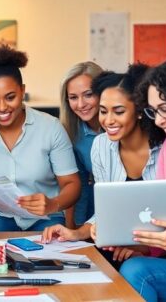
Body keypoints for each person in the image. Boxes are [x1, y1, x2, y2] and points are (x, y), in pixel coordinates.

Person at [43, 64, 165, 263]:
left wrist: (143, 247)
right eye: (103, 111)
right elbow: (104, 211)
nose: (108, 120)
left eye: (118, 111)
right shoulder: (101, 145)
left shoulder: (164, 149)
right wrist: (76, 233)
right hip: (122, 243)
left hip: (162, 248)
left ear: (140, 111)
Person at [0, 45, 81, 239]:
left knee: (52, 264)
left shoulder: (50, 127)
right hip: (0, 218)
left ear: (22, 91)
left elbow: (71, 184)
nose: (2, 107)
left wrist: (53, 204)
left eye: (10, 97)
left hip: (46, 218)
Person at [120, 58, 166, 302]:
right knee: (134, 267)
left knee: (137, 272)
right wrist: (139, 243)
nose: (159, 120)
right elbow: (165, 220)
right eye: (154, 111)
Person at [59, 62, 103, 227]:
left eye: (88, 94)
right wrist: (75, 228)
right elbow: (81, 184)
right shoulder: (72, 132)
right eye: (73, 97)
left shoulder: (119, 127)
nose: (81, 104)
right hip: (95, 200)